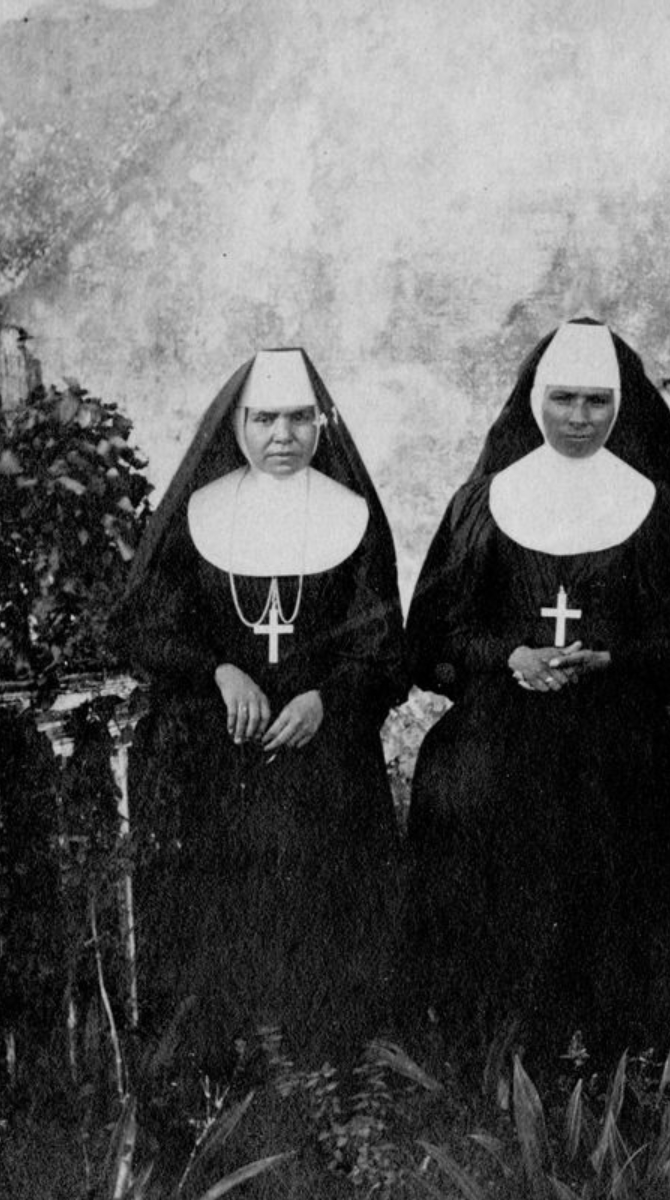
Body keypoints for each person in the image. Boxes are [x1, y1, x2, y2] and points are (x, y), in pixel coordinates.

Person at [403, 319, 670, 1069]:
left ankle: (626, 1079)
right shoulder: (486, 503)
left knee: (620, 908)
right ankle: (497, 1068)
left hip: (621, 749)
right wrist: (511, 655)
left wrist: (616, 657)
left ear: (620, 407)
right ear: (533, 400)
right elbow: (436, 632)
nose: (578, 418)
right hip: (505, 744)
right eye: (562, 399)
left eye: (594, 401)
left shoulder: (660, 510)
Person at [119, 348, 405, 1067]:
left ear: (321, 423)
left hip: (324, 749)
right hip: (221, 752)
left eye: (300, 418)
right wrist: (217, 670)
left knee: (324, 896)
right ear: (237, 425)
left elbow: (381, 641)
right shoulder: (197, 515)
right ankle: (225, 1057)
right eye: (266, 417)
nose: (284, 434)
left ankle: (329, 1057)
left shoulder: (355, 517)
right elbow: (148, 625)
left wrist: (326, 699)